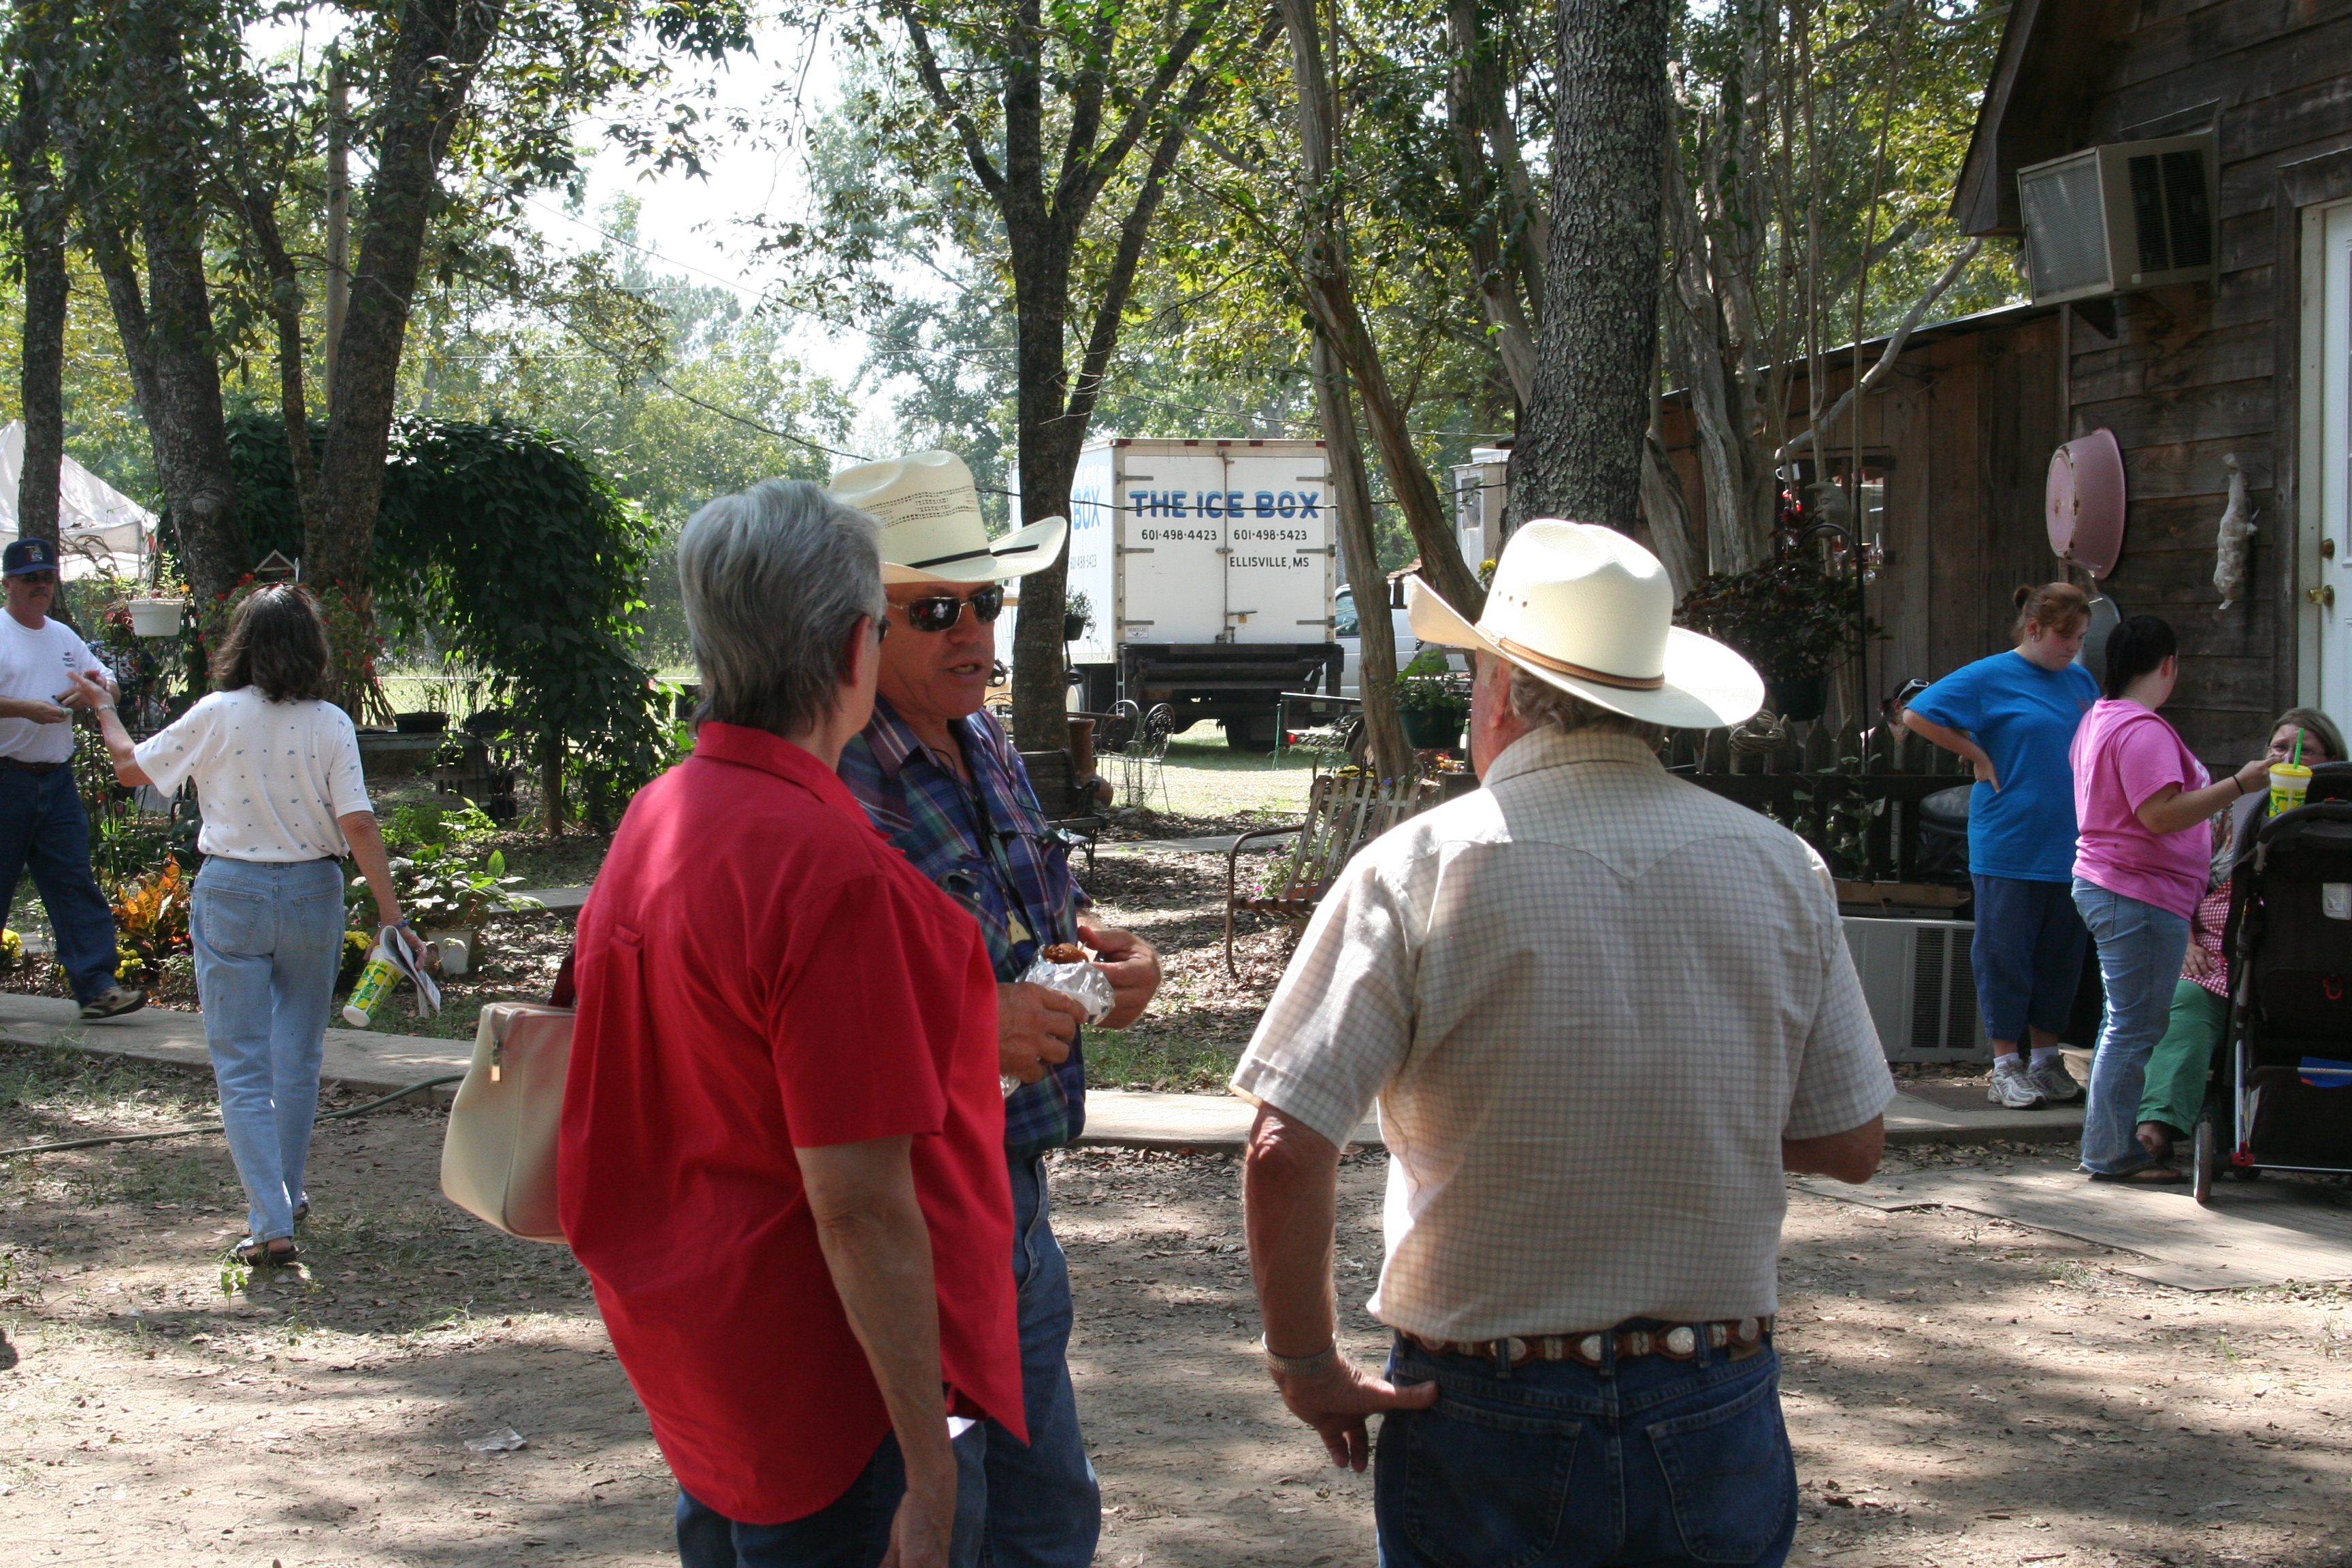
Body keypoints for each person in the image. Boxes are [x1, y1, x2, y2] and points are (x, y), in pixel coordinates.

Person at [1233, 521, 1893, 1568]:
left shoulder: (1419, 870)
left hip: (1484, 1396)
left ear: (1499, 688)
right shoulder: (1782, 869)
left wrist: (1304, 1360)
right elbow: (1852, 1140)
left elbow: (1287, 1144)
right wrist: (1676, 1118)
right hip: (1710, 1386)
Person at [559, 478, 1024, 1568]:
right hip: (823, 1395)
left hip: (705, 1358)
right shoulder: (829, 870)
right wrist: (930, 1463)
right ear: (857, 644)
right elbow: (860, 1205)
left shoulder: (662, 813)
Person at [829, 449, 1162, 1568]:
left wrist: (1101, 968)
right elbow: (821, 1020)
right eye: (936, 609)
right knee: (939, 1516)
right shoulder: (829, 781)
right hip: (901, 1204)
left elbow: (1031, 927)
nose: (974, 631)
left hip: (1012, 1202)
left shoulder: (984, 742)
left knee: (1045, 1518)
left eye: (987, 599)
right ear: (858, 628)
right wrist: (977, 1029)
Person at [78, 585, 414, 1264]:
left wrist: (107, 709)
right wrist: (391, 914)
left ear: (242, 645)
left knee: (241, 1066)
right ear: (313, 649)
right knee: (299, 1058)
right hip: (315, 892)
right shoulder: (332, 722)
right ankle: (285, 1194)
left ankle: (271, 1220)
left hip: (232, 888)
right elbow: (358, 822)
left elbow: (127, 769)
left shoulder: (215, 714)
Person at [2070, 616, 2271, 1183]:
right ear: (2168, 665)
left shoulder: (2099, 719)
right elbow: (2157, 814)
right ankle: (2111, 1151)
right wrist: (2238, 786)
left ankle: (2110, 1143)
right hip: (2136, 891)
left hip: (2119, 886)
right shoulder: (2142, 729)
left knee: (2126, 1023)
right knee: (2134, 1028)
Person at [1901, 583, 2099, 1110]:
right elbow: (1917, 713)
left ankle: (2047, 1058)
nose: (2072, 648)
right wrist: (1977, 756)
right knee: (2006, 951)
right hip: (2011, 840)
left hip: (2071, 842)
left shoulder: (2080, 680)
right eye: (2065, 636)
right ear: (2034, 629)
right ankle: (2005, 1063)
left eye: (2080, 637)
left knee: (2062, 954)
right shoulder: (1991, 675)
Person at [2137, 708, 2343, 1158]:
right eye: (2278, 748)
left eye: (2304, 750)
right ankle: (2158, 1122)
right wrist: (2186, 941)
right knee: (2187, 1000)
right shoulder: (2235, 812)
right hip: (2226, 952)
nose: (2288, 757)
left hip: (2320, 957)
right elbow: (2184, 880)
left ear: (2330, 759)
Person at [0, 536, 145, 1022]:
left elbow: (112, 686)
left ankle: (97, 987)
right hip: (6, 778)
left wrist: (97, 690)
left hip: (56, 780)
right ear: (8, 584)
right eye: (29, 579)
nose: (40, 586)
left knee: (72, 882)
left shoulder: (63, 636)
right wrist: (24, 709)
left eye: (47, 577)